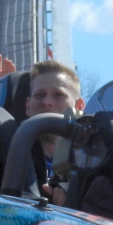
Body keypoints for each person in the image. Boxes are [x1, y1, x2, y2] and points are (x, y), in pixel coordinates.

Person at [24, 60, 85, 202]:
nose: (47, 102)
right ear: (28, 105)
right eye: (39, 95)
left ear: (79, 106)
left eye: (58, 95)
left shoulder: (90, 162)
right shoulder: (7, 153)